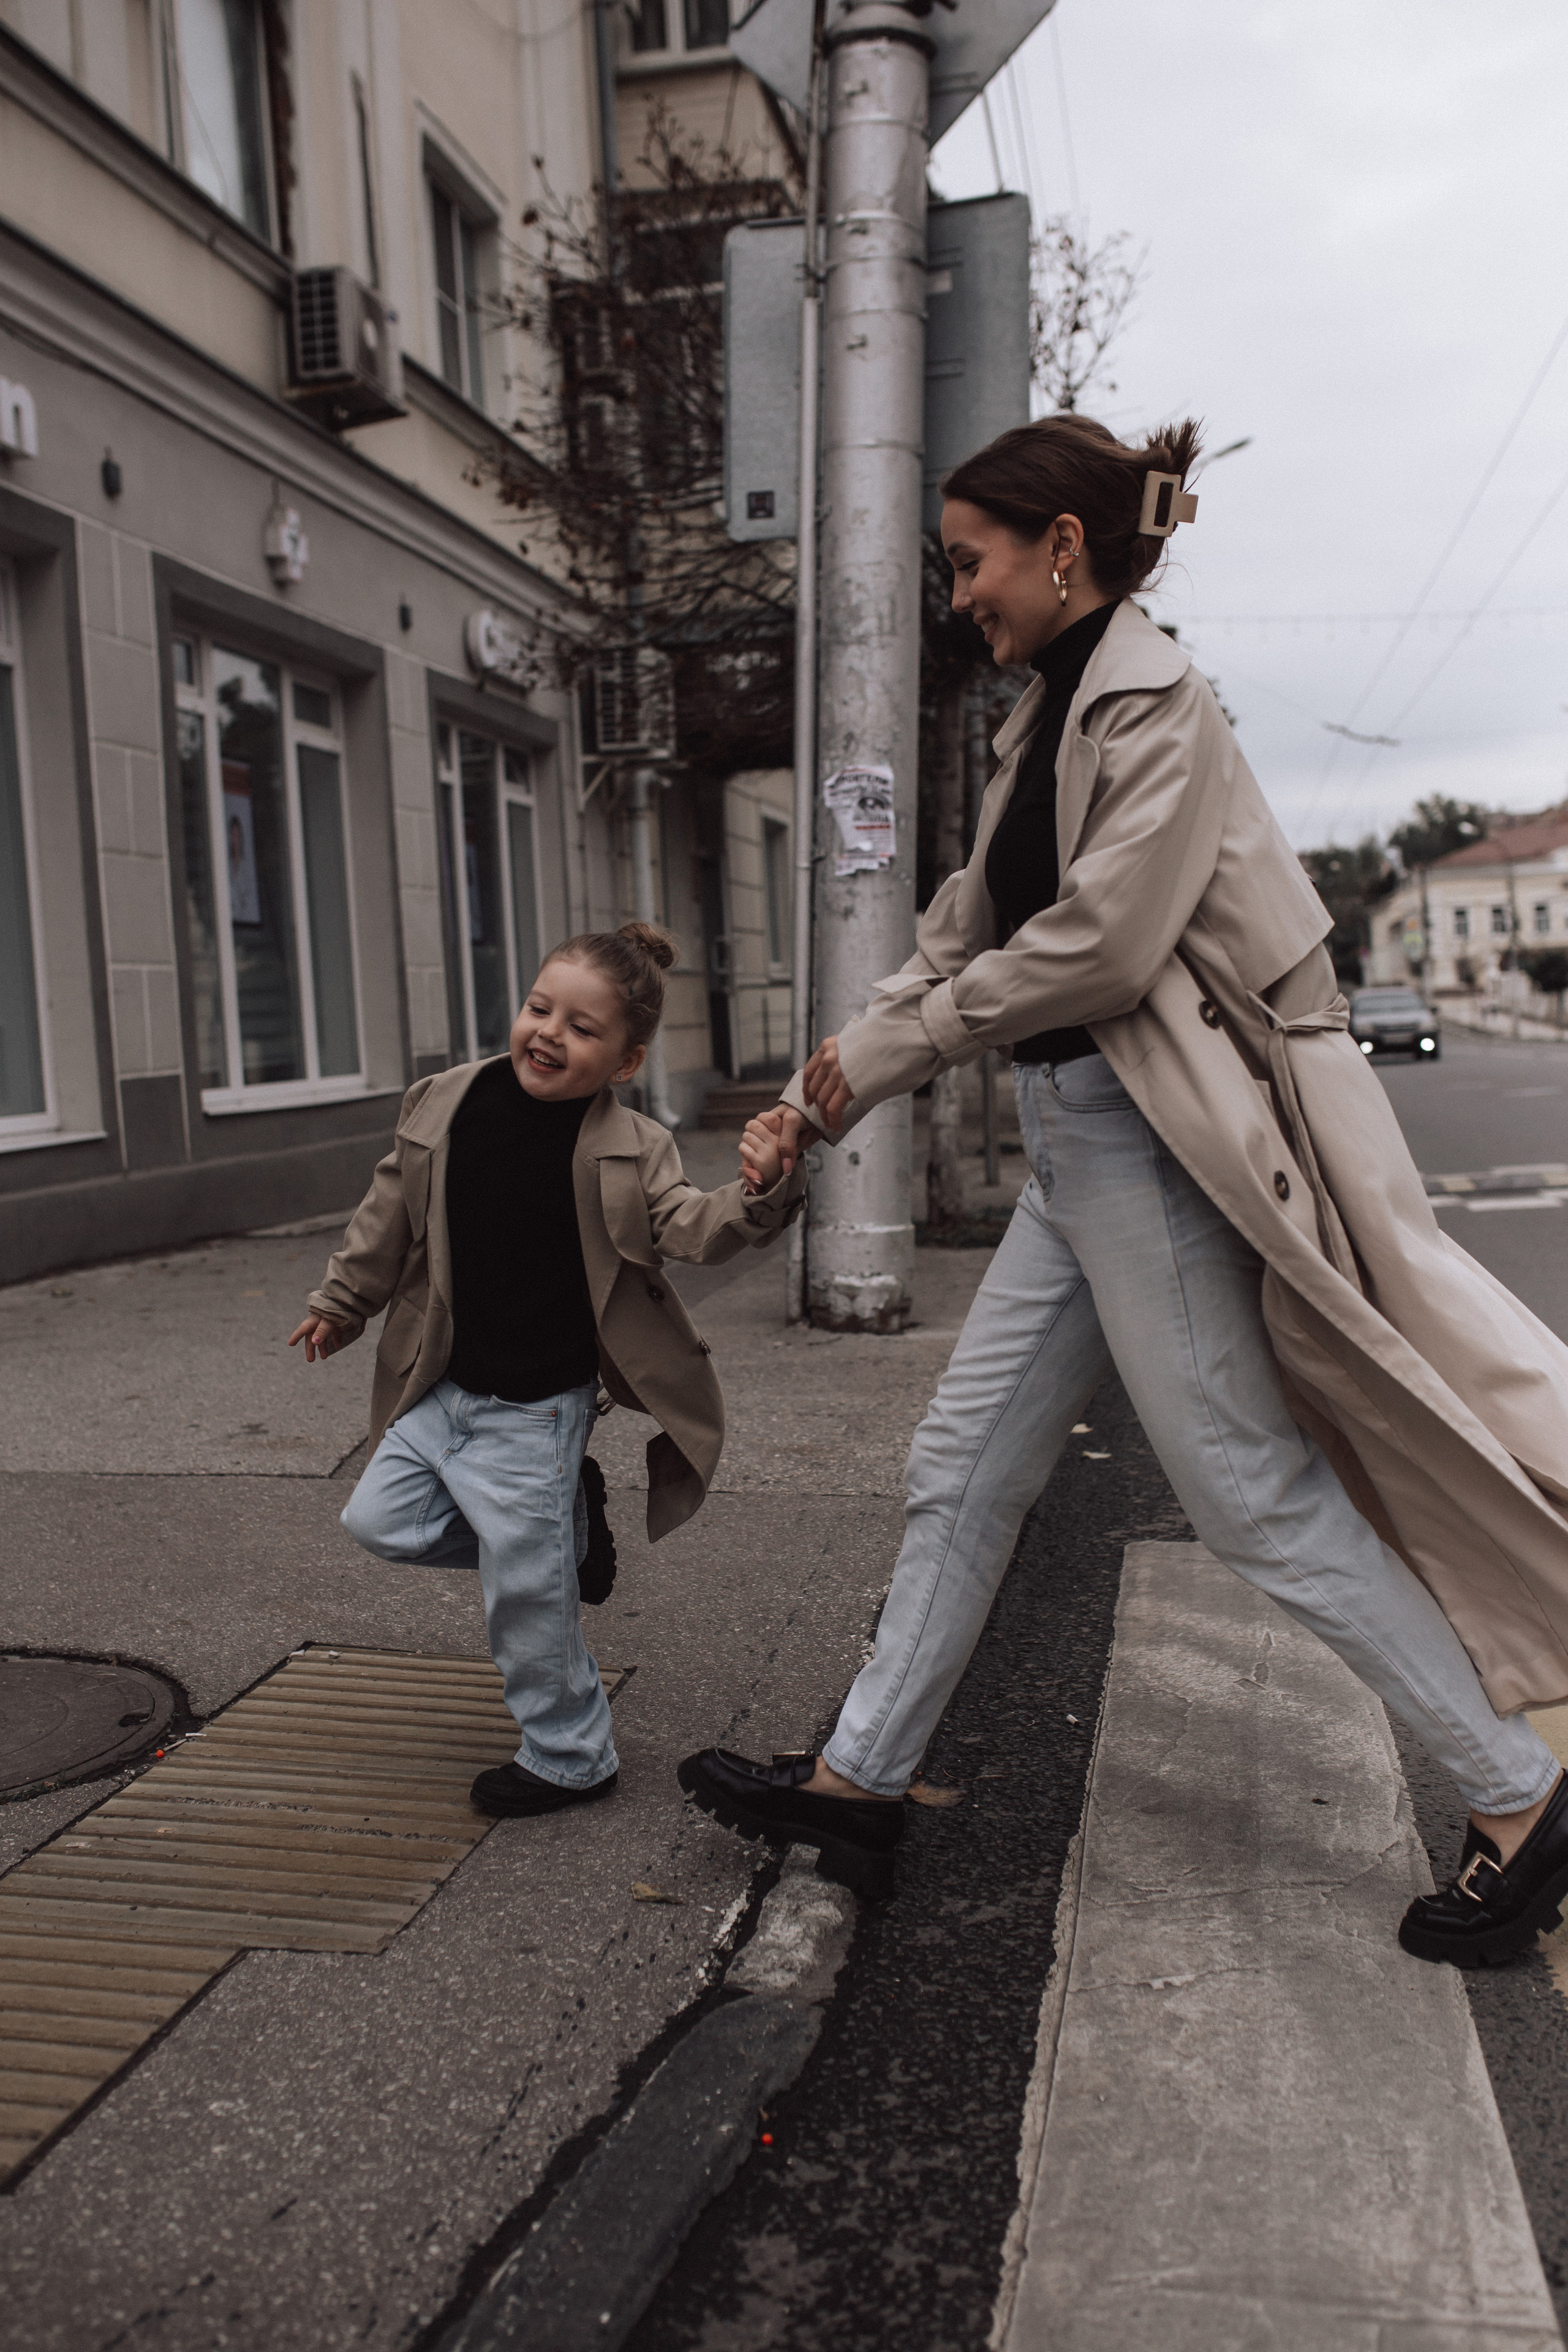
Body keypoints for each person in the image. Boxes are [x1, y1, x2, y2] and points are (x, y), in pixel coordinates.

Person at [680, 414, 1568, 1959]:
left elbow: (1099, 946)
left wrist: (891, 1062)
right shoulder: (1049, 711)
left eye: (970, 562)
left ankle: (1517, 1794)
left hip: (1151, 1138)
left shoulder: (1156, 706)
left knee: (1250, 1500)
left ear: (1059, 547)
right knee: (960, 1463)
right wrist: (826, 1081)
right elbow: (964, 930)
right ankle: (858, 1783)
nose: (961, 594)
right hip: (1081, 1141)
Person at [292, 922, 805, 1819]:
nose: (547, 1034)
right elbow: (387, 1215)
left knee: (527, 1605)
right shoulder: (447, 1102)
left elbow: (691, 1226)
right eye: (539, 1008)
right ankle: (565, 1533)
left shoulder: (633, 1145)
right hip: (442, 1383)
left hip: (539, 1409)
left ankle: (571, 1755)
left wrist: (760, 1191)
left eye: (581, 1028)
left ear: (625, 1059)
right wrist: (343, 1301)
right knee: (379, 1521)